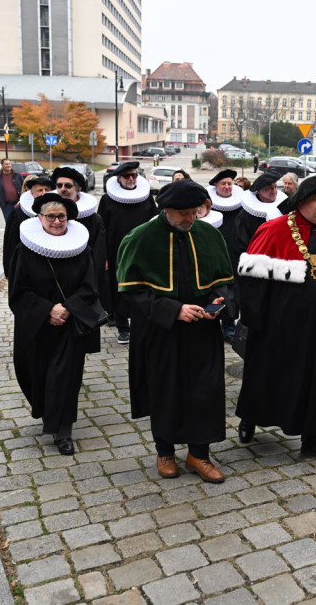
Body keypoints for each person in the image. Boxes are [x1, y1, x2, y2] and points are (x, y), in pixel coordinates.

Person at [236, 173, 316, 463]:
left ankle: (314, 439)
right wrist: (257, 322)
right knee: (266, 374)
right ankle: (250, 419)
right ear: (300, 202)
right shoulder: (274, 230)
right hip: (279, 326)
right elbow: (252, 282)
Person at [118, 181, 235, 482]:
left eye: (194, 212)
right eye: (183, 213)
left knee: (204, 390)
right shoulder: (140, 238)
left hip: (201, 330)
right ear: (166, 210)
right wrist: (173, 310)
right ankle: (165, 451)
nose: (190, 219)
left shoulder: (208, 234)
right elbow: (131, 292)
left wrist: (220, 302)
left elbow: (224, 281)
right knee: (165, 389)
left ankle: (199, 454)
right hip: (160, 330)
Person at [10, 194, 105, 455]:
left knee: (66, 377)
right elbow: (18, 290)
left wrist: (66, 309)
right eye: (50, 216)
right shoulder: (24, 250)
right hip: (36, 326)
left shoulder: (82, 250)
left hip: (70, 324)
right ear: (39, 218)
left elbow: (90, 287)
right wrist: (47, 310)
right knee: (35, 373)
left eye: (61, 216)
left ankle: (64, 431)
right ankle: (47, 411)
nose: (56, 221)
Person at [98, 162, 157, 344]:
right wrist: (105, 257)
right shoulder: (107, 200)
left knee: (143, 288)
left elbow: (155, 222)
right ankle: (123, 328)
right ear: (119, 179)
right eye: (127, 176)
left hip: (143, 253)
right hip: (116, 252)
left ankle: (143, 325)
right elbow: (102, 230)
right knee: (119, 290)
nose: (131, 179)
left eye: (133, 175)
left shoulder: (146, 198)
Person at [52, 166, 109, 317]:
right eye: (59, 185)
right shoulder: (47, 218)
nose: (63, 189)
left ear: (78, 190)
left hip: (84, 286)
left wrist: (91, 286)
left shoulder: (94, 220)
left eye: (68, 186)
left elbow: (98, 254)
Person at [207, 169, 244, 340]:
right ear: (216, 186)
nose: (227, 187)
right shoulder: (207, 205)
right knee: (215, 291)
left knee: (233, 291)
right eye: (224, 184)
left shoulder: (241, 204)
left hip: (235, 253)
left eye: (230, 183)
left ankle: (229, 326)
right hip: (213, 255)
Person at [2, 176, 54, 279]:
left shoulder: (60, 213)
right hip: (26, 265)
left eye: (47, 190)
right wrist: (10, 269)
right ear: (32, 193)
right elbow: (11, 242)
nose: (43, 193)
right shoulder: (18, 213)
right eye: (40, 190)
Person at [231, 172, 285, 264]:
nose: (274, 191)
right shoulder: (246, 215)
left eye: (275, 187)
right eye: (269, 188)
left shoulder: (283, 211)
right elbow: (241, 244)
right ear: (259, 191)